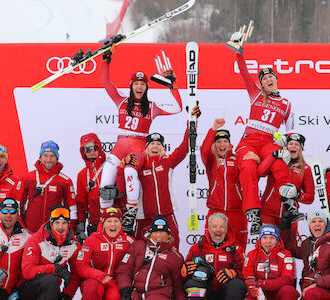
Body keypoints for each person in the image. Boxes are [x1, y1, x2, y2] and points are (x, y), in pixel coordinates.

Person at [98, 34, 183, 215]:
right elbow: (106, 82)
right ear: (131, 86)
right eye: (136, 83)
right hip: (119, 147)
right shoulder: (121, 100)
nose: (139, 87)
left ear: (146, 87)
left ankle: (131, 213)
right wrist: (106, 61)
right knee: (105, 183)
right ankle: (106, 219)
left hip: (137, 148)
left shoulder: (152, 107)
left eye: (142, 84)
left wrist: (172, 86)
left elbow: (178, 108)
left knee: (129, 171)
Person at [228, 35, 301, 235]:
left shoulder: (286, 104)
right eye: (264, 78)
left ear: (276, 79)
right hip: (249, 142)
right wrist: (238, 53)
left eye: (271, 76)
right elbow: (244, 73)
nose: (268, 79)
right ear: (261, 84)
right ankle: (253, 214)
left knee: (280, 164)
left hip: (269, 142)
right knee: (249, 168)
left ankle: (289, 205)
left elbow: (290, 132)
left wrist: (289, 148)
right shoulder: (256, 94)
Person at [119, 107, 200, 247]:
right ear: (146, 148)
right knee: (140, 250)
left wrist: (192, 122)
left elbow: (184, 147)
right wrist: (121, 166)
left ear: (163, 148)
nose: (155, 146)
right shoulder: (139, 165)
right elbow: (123, 183)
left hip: (166, 215)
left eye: (158, 144)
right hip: (144, 217)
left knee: (173, 247)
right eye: (151, 144)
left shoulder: (168, 162)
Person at [115, 215, 193, 300]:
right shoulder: (137, 246)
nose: (158, 235)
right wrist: (125, 292)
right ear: (150, 233)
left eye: (162, 232)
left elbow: (177, 287)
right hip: (135, 298)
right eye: (156, 232)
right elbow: (124, 270)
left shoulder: (175, 256)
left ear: (168, 235)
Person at [19, 206, 81, 300]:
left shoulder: (73, 244)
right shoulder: (36, 239)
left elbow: (77, 273)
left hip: (51, 294)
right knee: (50, 279)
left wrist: (67, 295)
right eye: (57, 223)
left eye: (64, 223)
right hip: (28, 290)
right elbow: (27, 271)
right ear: (51, 223)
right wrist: (54, 269)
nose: (60, 227)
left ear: (68, 224)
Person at [183, 213, 246, 300]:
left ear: (227, 228)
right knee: (192, 284)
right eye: (215, 226)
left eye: (222, 227)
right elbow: (186, 272)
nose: (218, 230)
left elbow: (246, 272)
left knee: (237, 284)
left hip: (226, 298)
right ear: (209, 228)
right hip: (204, 297)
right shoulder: (197, 248)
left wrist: (235, 273)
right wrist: (184, 271)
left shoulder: (236, 249)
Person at [75, 207, 134, 300]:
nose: (112, 225)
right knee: (91, 289)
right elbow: (81, 266)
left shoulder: (129, 241)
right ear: (103, 223)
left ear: (121, 223)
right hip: (95, 279)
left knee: (114, 299)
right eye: (109, 221)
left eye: (116, 221)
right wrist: (99, 275)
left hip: (116, 282)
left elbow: (137, 262)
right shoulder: (92, 240)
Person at [243, 225, 299, 300]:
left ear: (277, 240)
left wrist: (263, 284)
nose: (268, 242)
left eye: (272, 238)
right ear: (260, 239)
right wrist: (252, 286)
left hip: (279, 299)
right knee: (249, 299)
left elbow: (287, 279)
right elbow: (248, 276)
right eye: (265, 238)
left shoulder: (285, 255)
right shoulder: (252, 255)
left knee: (289, 291)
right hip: (261, 299)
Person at [200, 118, 247, 247]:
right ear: (214, 144)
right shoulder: (211, 159)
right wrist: (213, 129)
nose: (222, 145)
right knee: (211, 246)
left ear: (229, 143)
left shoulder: (238, 158)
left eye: (225, 141)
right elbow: (204, 150)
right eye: (218, 141)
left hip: (237, 211)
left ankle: (239, 268)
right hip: (216, 210)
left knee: (239, 246)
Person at [17, 140, 78, 233]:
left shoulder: (65, 181)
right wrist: (19, 226)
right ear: (40, 158)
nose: (48, 160)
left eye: (52, 156)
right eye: (45, 155)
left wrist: (71, 230)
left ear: (57, 158)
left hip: (54, 232)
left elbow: (71, 208)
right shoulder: (27, 178)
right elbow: (18, 203)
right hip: (29, 231)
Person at [259, 133, 314, 227]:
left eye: (296, 144)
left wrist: (297, 194)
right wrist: (273, 156)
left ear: (301, 148)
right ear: (286, 146)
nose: (293, 146)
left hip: (290, 216)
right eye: (290, 143)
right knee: (268, 241)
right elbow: (261, 172)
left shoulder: (306, 169)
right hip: (268, 213)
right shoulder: (277, 161)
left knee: (289, 242)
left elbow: (310, 198)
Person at [76, 133, 107, 242]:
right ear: (83, 153)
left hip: (114, 221)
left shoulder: (111, 167)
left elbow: (124, 192)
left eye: (94, 148)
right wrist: (80, 227)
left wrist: (117, 192)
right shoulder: (82, 175)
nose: (92, 152)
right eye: (87, 150)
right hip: (94, 224)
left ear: (99, 147)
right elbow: (81, 203)